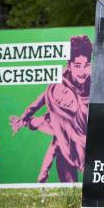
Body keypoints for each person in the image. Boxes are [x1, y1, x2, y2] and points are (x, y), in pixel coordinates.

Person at [9, 35, 92, 182]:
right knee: (49, 129)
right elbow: (41, 100)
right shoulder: (60, 84)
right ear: (69, 64)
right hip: (62, 131)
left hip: (80, 131)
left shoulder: (91, 83)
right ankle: (30, 123)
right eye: (77, 66)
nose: (82, 71)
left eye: (86, 65)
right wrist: (24, 117)